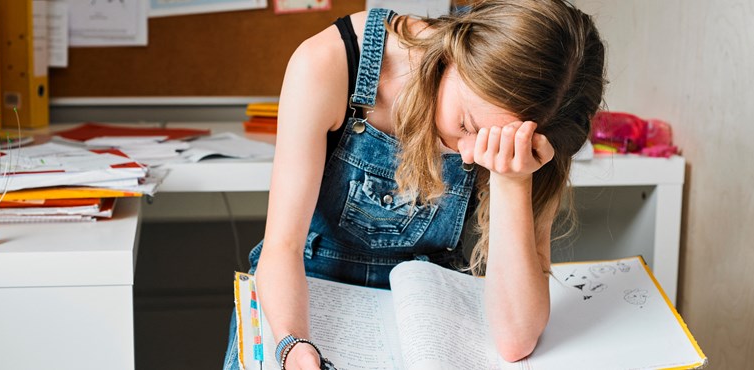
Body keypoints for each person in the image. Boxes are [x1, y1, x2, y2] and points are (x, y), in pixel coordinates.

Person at [224, 0, 606, 369]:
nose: (472, 156)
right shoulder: (331, 62)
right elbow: (281, 247)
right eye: (466, 127)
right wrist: (294, 345)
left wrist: (512, 179)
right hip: (301, 299)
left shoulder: (541, 123)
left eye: (496, 149)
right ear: (457, 55)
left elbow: (515, 338)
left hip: (426, 314)